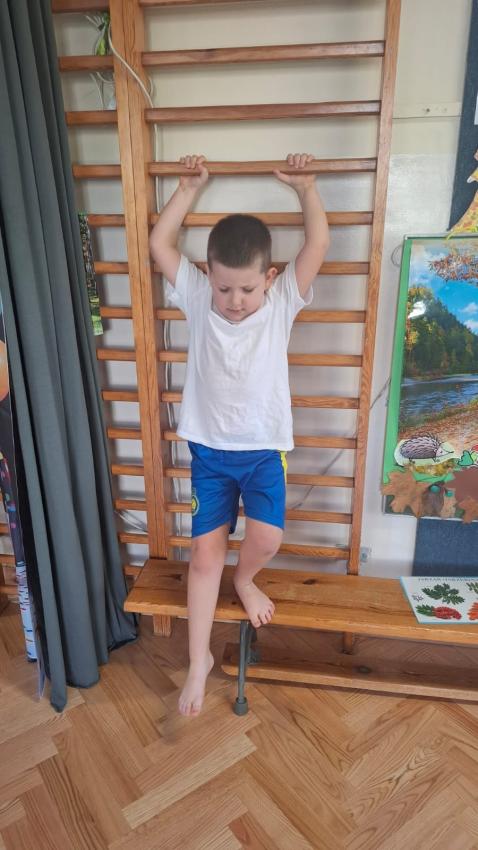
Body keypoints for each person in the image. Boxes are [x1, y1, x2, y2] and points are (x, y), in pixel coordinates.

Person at [149, 153, 330, 715]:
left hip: (263, 451)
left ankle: (245, 580)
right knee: (204, 557)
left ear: (268, 279)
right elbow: (160, 244)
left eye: (246, 289)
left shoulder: (281, 301)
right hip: (209, 452)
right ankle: (197, 660)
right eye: (224, 288)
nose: (234, 301)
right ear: (208, 277)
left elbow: (318, 244)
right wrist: (185, 190)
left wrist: (306, 189)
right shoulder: (197, 296)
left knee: (267, 539)